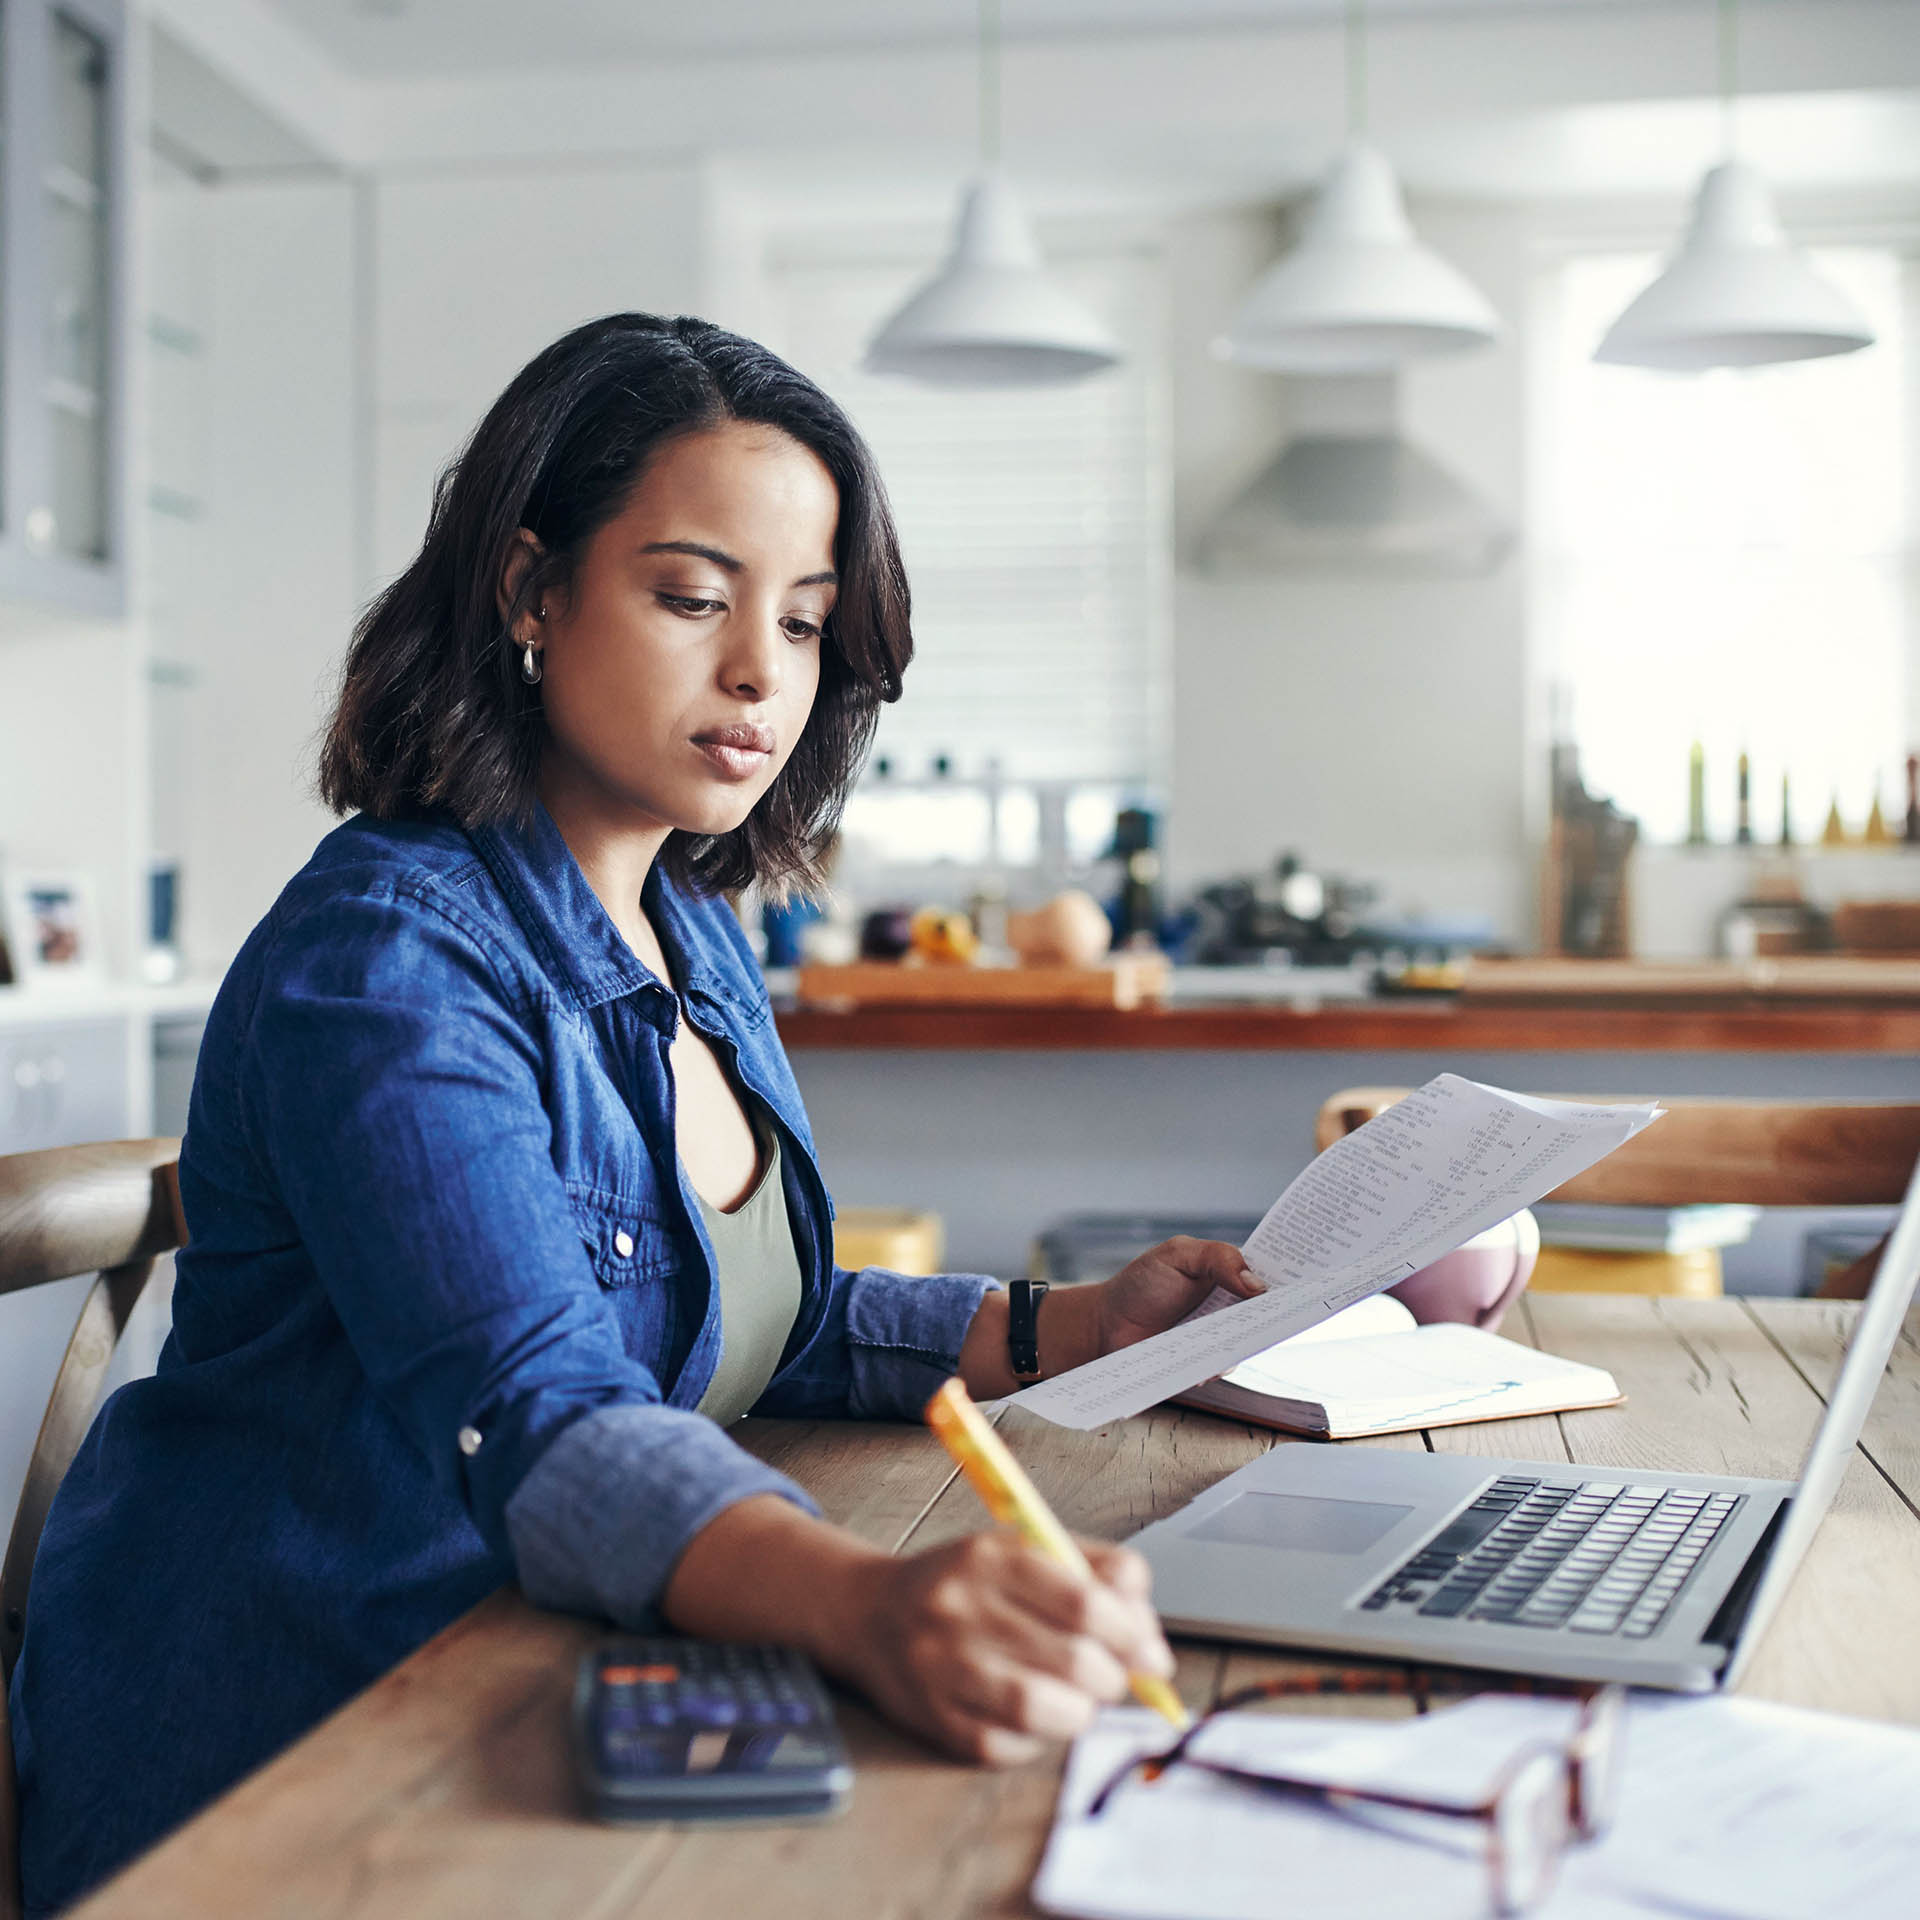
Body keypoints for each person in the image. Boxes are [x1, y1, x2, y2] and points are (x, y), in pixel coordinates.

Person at [8, 314, 1260, 1914]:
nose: (760, 673)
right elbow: (544, 1404)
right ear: (531, 591)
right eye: (692, 598)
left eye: (805, 625)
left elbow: (744, 1324)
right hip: (300, 1744)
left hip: (539, 1672)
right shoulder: (388, 961)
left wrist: (1067, 1325)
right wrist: (871, 1607)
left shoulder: (695, 932)